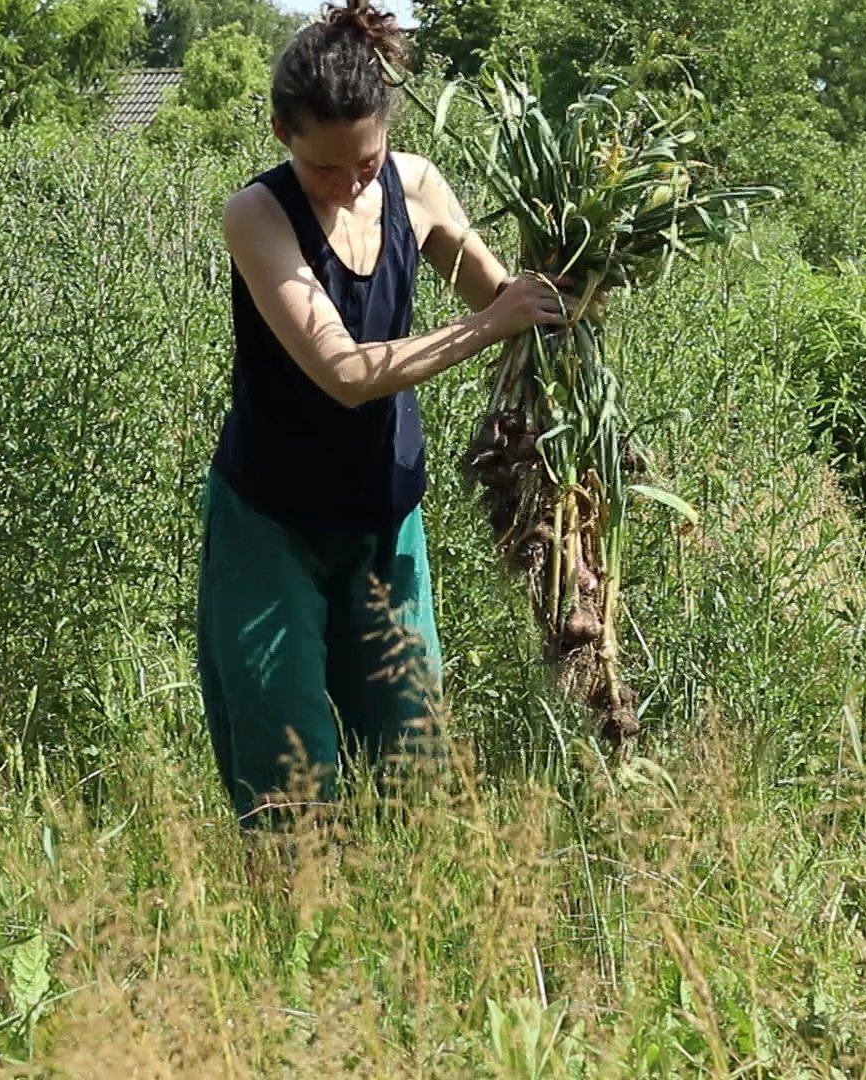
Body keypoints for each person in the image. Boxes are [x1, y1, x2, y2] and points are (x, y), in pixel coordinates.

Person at [196, 0, 573, 829]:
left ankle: (398, 930)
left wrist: (570, 287)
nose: (350, 183)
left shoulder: (417, 186)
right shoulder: (257, 216)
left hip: (383, 517)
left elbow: (507, 305)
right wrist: (491, 323)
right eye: (327, 169)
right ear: (279, 134)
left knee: (414, 757)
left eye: (365, 160)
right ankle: (286, 937)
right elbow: (345, 373)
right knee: (291, 771)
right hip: (272, 525)